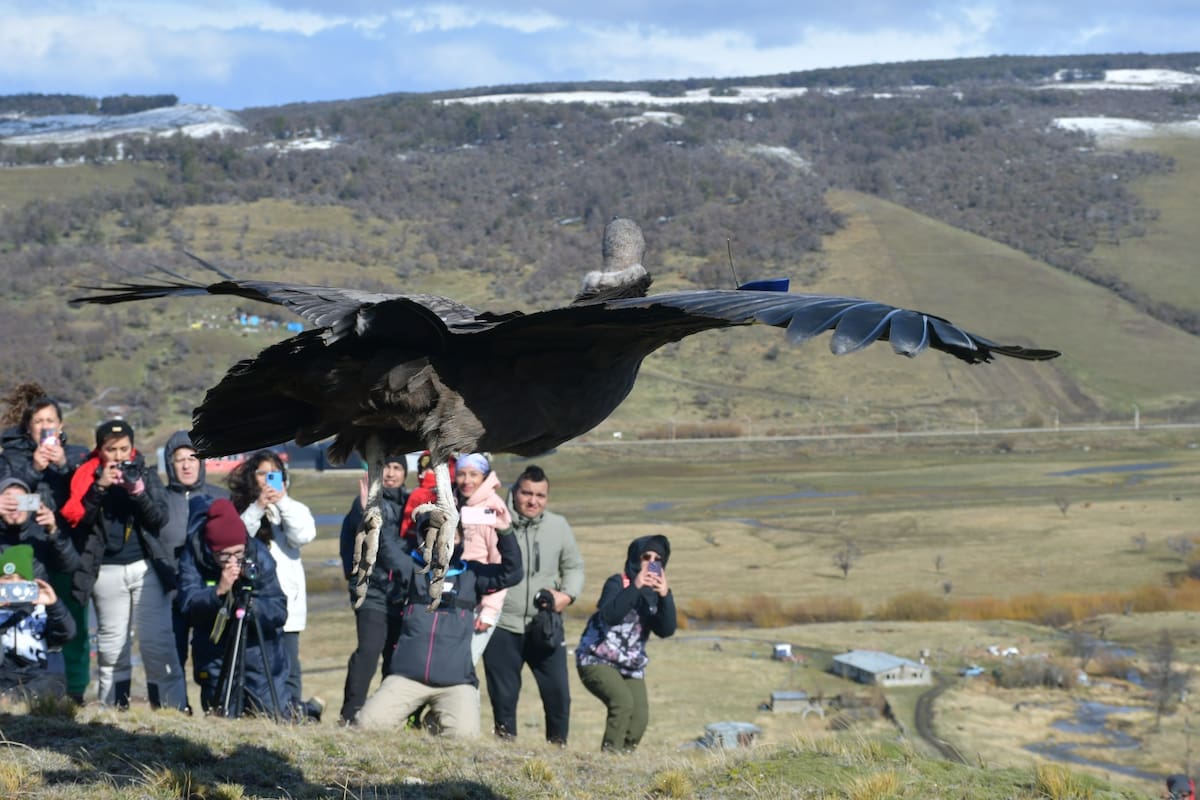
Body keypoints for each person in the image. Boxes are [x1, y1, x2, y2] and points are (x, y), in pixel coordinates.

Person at [355, 510, 522, 736]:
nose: (442, 541)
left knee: (464, 737)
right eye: (434, 535)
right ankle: (416, 722)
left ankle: (433, 722)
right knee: (367, 725)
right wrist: (373, 513)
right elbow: (386, 548)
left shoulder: (473, 575)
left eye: (451, 534)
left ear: (461, 539)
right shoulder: (412, 570)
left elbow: (512, 572)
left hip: (456, 683)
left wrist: (505, 532)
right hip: (406, 678)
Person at [61, 419, 187, 710]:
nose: (118, 456)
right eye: (111, 449)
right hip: (106, 571)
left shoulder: (145, 472)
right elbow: (79, 523)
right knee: (111, 647)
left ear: (132, 447)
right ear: (100, 450)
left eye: (124, 448)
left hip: (146, 568)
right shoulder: (85, 476)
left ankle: (171, 710)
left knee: (158, 644)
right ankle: (113, 712)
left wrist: (138, 492)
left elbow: (159, 519)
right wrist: (99, 488)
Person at [0, 384, 90, 702]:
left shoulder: (76, 455)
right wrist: (36, 467)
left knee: (68, 619)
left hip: (64, 545)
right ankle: (19, 685)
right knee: (22, 618)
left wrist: (63, 465)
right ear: (28, 427)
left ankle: (74, 690)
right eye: (38, 421)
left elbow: (84, 496)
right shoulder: (14, 456)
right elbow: (11, 497)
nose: (45, 427)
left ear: (61, 426)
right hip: (26, 545)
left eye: (50, 420)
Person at [483, 464, 584, 745]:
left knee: (558, 696)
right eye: (527, 493)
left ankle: (557, 749)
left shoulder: (558, 526)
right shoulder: (495, 523)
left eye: (540, 495)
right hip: (503, 625)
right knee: (504, 698)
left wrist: (567, 595)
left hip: (545, 624)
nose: (533, 501)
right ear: (514, 493)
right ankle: (506, 751)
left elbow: (574, 566)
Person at [177, 497, 291, 717]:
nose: (233, 562)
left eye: (238, 553)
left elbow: (278, 609)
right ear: (211, 550)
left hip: (260, 656)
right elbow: (188, 606)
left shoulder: (258, 555)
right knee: (223, 720)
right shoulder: (194, 557)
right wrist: (218, 592)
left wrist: (251, 608)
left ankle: (306, 711)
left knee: (270, 716)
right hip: (215, 656)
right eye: (225, 555)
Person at [228, 450, 321, 721]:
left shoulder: (293, 509)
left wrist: (282, 502)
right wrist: (258, 507)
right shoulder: (242, 509)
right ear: (251, 477)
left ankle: (292, 716)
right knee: (252, 663)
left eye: (274, 474)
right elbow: (239, 538)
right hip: (253, 603)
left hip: (288, 607)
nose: (268, 481)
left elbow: (303, 535)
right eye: (261, 474)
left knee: (289, 667)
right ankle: (252, 713)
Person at [576, 535, 677, 752]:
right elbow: (610, 615)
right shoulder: (617, 583)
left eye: (658, 559)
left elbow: (666, 630)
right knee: (623, 703)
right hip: (596, 658)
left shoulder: (657, 595)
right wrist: (636, 586)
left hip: (630, 664)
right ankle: (609, 759)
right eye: (646, 557)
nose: (651, 562)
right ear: (635, 558)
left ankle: (624, 760)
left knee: (639, 719)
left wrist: (665, 596)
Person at [337, 453, 408, 724]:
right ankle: (349, 714)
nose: (390, 473)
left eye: (396, 467)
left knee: (396, 656)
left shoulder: (411, 502)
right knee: (368, 650)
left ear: (404, 472)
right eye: (385, 467)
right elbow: (352, 537)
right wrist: (353, 578)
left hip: (401, 594)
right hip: (372, 591)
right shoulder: (364, 501)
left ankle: (388, 716)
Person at [161, 431, 228, 689]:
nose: (187, 465)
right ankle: (176, 709)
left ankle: (214, 707)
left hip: (208, 593)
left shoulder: (220, 497)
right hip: (169, 593)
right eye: (180, 460)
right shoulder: (161, 499)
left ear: (202, 462)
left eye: (193, 458)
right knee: (172, 657)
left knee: (209, 658)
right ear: (170, 463)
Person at [454, 452, 512, 665]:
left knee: (464, 665)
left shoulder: (492, 508)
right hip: (456, 596)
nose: (466, 480)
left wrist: (489, 610)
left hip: (480, 600)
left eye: (473, 474)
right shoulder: (457, 502)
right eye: (461, 474)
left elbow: (500, 562)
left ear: (484, 476)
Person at [0, 544, 76, 704]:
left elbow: (67, 633)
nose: (14, 585)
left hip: (39, 675)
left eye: (21, 579)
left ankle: (14, 698)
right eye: (7, 579)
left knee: (53, 685)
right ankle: (10, 697)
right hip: (4, 675)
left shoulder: (42, 609)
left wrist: (54, 605)